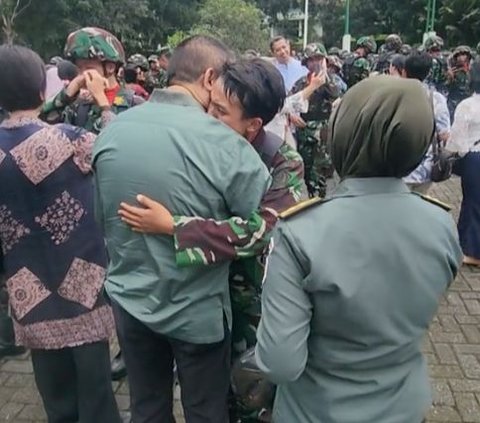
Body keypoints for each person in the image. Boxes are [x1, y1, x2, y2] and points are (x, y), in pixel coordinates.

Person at [255, 76, 463, 423]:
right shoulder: (441, 224)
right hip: (404, 407)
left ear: (344, 135)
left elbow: (280, 363)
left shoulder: (300, 232)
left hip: (317, 411)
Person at [118, 57, 309, 421]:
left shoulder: (282, 164)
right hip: (201, 302)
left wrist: (175, 226)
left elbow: (261, 231)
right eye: (208, 104)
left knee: (252, 396)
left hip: (251, 306)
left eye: (220, 112)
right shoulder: (200, 144)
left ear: (252, 125)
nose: (206, 116)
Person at [93, 36, 271, 423]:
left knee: (146, 407)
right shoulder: (228, 146)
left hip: (131, 303)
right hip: (197, 314)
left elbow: (100, 220)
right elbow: (259, 231)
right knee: (205, 412)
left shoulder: (111, 132)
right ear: (210, 77)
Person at [0, 45, 121, 423]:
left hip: (26, 286)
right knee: (97, 397)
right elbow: (116, 149)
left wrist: (60, 99)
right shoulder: (69, 139)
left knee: (57, 399)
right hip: (80, 281)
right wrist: (103, 102)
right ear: (41, 89)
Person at [42, 27, 139, 134]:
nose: (83, 75)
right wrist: (67, 95)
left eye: (88, 68)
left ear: (110, 67)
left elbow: (117, 140)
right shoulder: (79, 104)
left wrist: (102, 101)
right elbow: (41, 125)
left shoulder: (134, 104)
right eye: (79, 68)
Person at [290, 43, 340, 198]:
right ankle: (312, 196)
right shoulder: (300, 82)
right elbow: (290, 103)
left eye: (318, 59)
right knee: (306, 169)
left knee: (321, 172)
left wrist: (324, 76)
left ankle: (321, 199)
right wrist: (292, 115)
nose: (315, 63)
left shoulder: (331, 81)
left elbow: (336, 95)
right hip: (304, 131)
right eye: (311, 60)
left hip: (322, 133)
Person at [447, 61, 480, 266]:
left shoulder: (468, 105)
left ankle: (472, 252)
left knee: (473, 203)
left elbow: (457, 140)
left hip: (475, 158)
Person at [403, 51, 451, 194]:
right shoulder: (436, 99)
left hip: (396, 169)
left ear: (404, 71)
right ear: (429, 72)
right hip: (425, 169)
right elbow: (444, 135)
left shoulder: (394, 95)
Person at [447, 45, 473, 120]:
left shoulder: (473, 71)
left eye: (463, 54)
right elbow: (446, 88)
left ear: (468, 57)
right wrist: (450, 78)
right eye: (458, 55)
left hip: (469, 104)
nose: (461, 57)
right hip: (455, 104)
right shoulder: (453, 71)